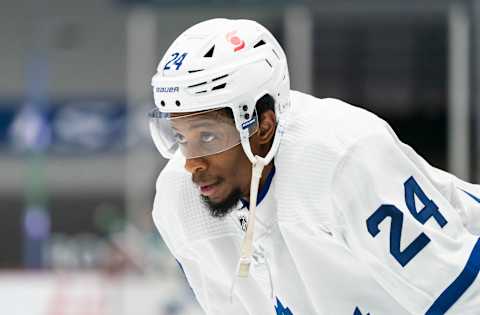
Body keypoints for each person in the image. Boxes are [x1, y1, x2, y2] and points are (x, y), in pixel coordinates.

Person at [149, 18, 480, 315]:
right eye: (179, 136)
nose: (192, 163)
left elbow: (465, 297)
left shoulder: (341, 156)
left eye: (208, 137)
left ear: (263, 125)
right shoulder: (178, 201)